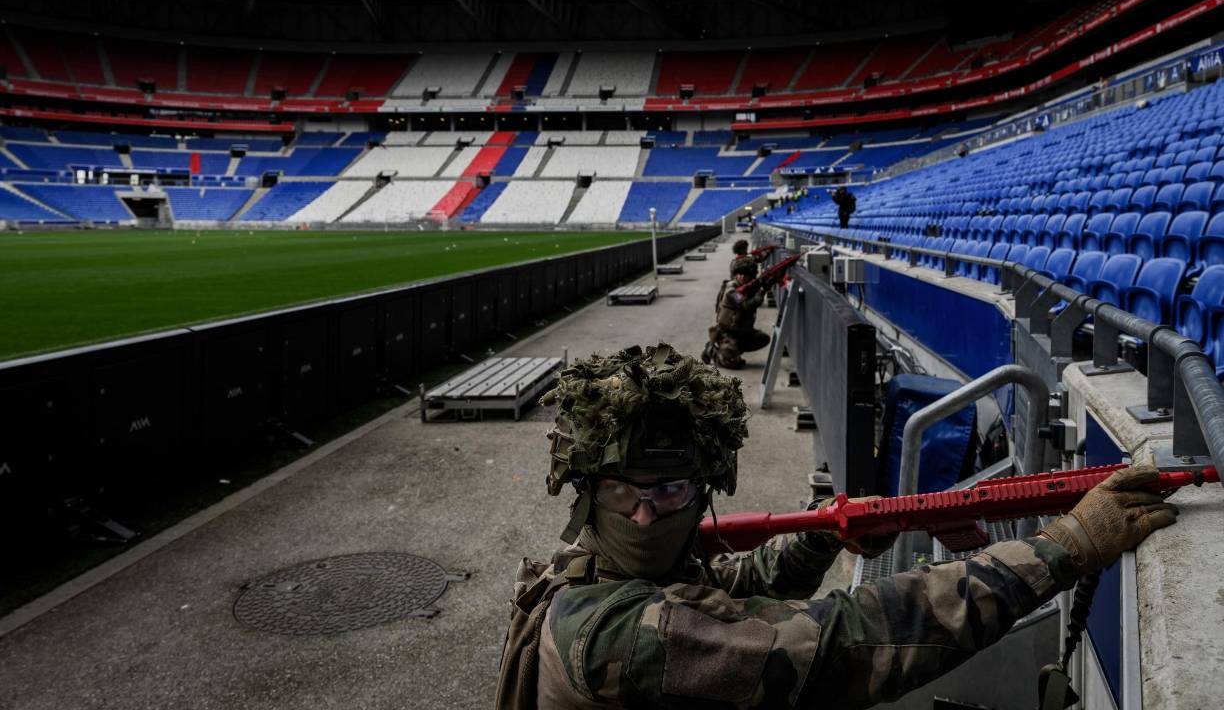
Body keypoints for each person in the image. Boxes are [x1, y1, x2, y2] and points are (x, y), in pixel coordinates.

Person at [495, 344, 1179, 709]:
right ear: (584, 493)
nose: (645, 513)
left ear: (703, 491)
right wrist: (1062, 548)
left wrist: (822, 538)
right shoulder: (615, 634)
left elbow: (731, 582)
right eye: (622, 493)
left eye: (670, 491)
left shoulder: (604, 568)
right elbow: (843, 646)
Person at [703, 257, 770, 368]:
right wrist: (761, 293)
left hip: (743, 331)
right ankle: (712, 351)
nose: (742, 277)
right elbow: (745, 305)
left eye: (746, 274)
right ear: (735, 274)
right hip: (727, 332)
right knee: (733, 363)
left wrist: (767, 283)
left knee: (763, 339)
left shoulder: (748, 287)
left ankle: (734, 350)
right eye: (739, 274)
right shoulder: (731, 290)